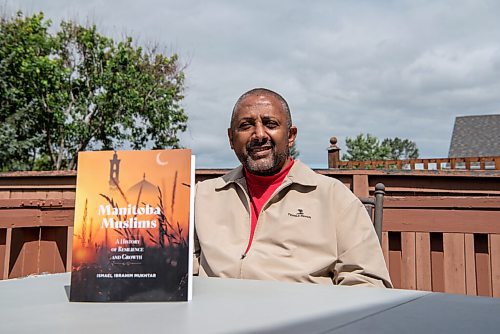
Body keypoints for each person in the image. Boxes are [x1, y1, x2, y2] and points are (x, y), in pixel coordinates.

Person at [194, 88, 392, 287]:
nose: (259, 134)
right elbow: (177, 270)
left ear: (291, 135)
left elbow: (368, 283)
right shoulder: (202, 197)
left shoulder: (333, 198)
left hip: (304, 316)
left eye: (271, 124)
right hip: (217, 314)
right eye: (246, 125)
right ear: (231, 138)